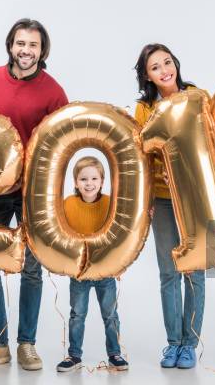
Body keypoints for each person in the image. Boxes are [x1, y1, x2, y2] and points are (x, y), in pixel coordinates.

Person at [0, 18, 68, 371]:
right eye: (20, 43)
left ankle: (26, 344)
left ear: (43, 51)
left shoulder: (54, 92)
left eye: (33, 45)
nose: (26, 50)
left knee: (32, 270)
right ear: (11, 45)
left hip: (32, 193)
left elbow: (62, 145)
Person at [133, 43, 215, 369]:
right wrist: (145, 200)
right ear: (147, 75)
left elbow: (214, 141)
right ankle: (174, 344)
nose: (165, 70)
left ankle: (190, 343)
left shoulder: (198, 96)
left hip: (195, 195)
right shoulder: (143, 109)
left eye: (167, 62)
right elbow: (141, 157)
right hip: (162, 199)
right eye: (156, 67)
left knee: (194, 270)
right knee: (168, 273)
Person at [55, 156, 129, 372]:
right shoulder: (67, 204)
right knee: (77, 314)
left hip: (104, 271)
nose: (89, 183)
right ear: (76, 182)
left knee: (110, 315)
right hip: (79, 272)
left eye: (94, 178)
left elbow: (119, 236)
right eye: (84, 179)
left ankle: (115, 353)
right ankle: (74, 355)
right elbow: (61, 235)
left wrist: (119, 263)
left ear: (102, 181)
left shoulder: (110, 203)